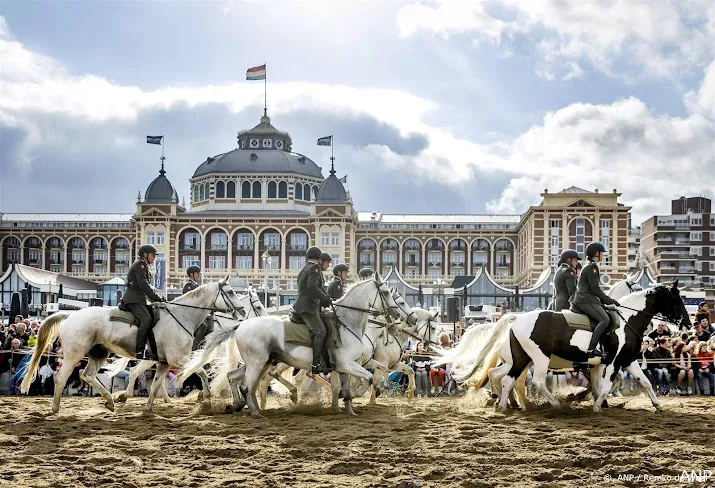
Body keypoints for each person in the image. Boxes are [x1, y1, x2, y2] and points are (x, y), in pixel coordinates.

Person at [570, 242, 620, 358]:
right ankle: (591, 349)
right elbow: (595, 289)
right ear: (596, 253)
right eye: (602, 252)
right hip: (585, 300)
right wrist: (610, 300)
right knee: (605, 320)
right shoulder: (592, 267)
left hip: (586, 299)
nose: (603, 255)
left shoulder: (589, 265)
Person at [293, 246, 333, 374]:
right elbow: (312, 287)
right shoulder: (315, 268)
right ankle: (316, 364)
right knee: (320, 332)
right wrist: (325, 298)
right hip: (308, 307)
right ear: (319, 259)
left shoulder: (305, 268)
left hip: (303, 305)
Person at [121, 244, 164, 360]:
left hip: (140, 298)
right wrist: (156, 297)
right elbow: (143, 284)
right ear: (145, 254)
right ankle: (139, 350)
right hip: (134, 298)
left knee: (153, 317)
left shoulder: (144, 265)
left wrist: (157, 298)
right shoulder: (140, 264)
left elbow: (146, 287)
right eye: (153, 255)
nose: (154, 258)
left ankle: (152, 349)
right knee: (146, 319)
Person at [182, 265, 213, 349]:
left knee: (211, 323)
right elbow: (191, 302)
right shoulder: (189, 286)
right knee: (203, 326)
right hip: (190, 313)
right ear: (191, 274)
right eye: (197, 273)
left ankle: (202, 343)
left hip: (197, 313)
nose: (199, 275)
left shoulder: (196, 286)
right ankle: (194, 347)